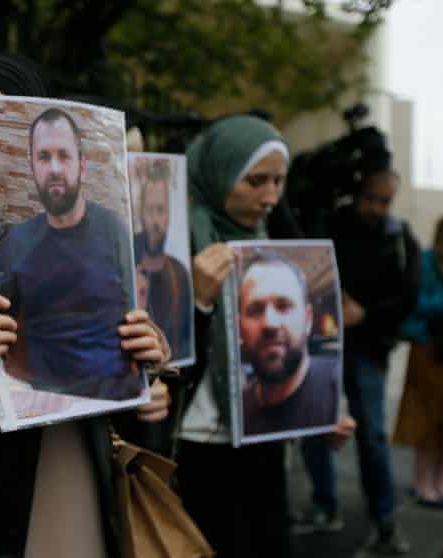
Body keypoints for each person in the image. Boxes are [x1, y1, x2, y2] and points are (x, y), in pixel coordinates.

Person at [0, 53, 173, 558]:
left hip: (72, 464)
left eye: (2, 125)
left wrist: (145, 364)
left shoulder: (103, 234)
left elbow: (111, 363)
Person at [173, 114, 295, 558]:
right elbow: (155, 357)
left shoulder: (267, 242)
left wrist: (317, 407)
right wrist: (199, 303)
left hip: (262, 438)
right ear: (220, 172)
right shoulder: (169, 239)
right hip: (198, 443)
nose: (270, 197)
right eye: (255, 181)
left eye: (279, 182)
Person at [298, 169, 419, 555]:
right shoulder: (331, 224)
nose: (377, 208)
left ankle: (383, 519)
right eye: (372, 198)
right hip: (322, 343)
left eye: (385, 201)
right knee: (315, 424)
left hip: (367, 349)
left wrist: (365, 313)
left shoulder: (399, 237)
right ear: (359, 194)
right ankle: (324, 505)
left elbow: (408, 294)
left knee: (372, 437)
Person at [0, 107, 138, 400]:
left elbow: (141, 322)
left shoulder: (115, 231)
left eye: (64, 155)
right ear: (32, 165)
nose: (55, 168)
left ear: (82, 165)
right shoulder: (16, 241)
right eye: (44, 157)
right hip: (42, 406)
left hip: (116, 402)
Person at [238, 250, 340, 436]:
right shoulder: (239, 408)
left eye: (284, 306)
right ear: (239, 327)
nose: (270, 323)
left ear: (308, 320)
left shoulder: (334, 389)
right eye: (255, 310)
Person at [394, 215, 443, 507]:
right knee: (425, 421)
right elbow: (415, 303)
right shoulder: (425, 262)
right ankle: (421, 481)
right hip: (427, 350)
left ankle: (438, 480)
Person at [135, 158, 194, 363]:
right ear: (140, 214)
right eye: (150, 210)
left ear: (169, 216)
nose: (156, 221)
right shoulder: (125, 269)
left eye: (161, 210)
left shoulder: (180, 276)